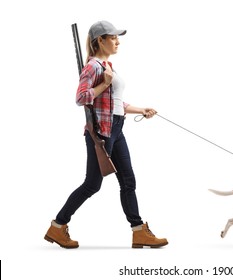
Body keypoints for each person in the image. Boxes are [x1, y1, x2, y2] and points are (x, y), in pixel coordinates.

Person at [44, 20, 168, 249]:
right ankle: (58, 227)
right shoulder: (93, 67)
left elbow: (115, 103)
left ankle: (138, 231)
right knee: (92, 184)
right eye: (113, 37)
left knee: (128, 181)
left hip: (117, 129)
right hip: (101, 132)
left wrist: (141, 109)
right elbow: (81, 98)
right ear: (100, 40)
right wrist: (104, 84)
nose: (117, 41)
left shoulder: (108, 66)